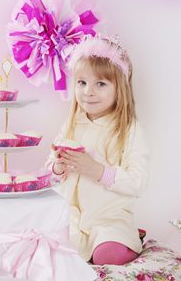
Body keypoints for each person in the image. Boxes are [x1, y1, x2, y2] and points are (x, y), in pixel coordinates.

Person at [46, 35, 149, 266]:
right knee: (49, 248)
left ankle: (126, 241)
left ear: (119, 88)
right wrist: (58, 167)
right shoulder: (72, 124)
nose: (88, 92)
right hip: (73, 219)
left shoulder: (128, 129)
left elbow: (138, 181)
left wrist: (97, 171)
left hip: (110, 220)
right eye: (81, 83)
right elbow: (50, 171)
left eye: (100, 84)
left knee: (107, 254)